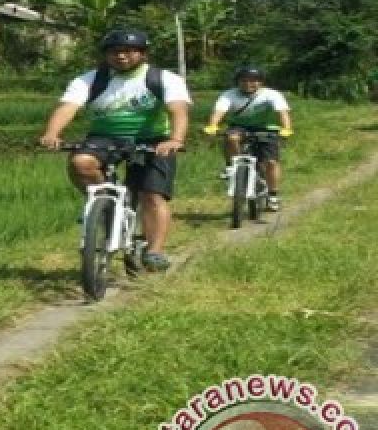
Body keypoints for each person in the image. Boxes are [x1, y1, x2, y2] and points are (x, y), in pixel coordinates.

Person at [38, 29, 191, 272]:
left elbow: (178, 111)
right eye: (115, 52)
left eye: (128, 51)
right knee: (81, 163)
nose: (121, 56)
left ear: (142, 54)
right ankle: (105, 204)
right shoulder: (90, 80)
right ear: (106, 55)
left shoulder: (163, 79)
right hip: (105, 137)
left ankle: (155, 250)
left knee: (152, 195)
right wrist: (52, 133)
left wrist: (175, 139)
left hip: (152, 139)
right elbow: (68, 107)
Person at [202, 66, 293, 211]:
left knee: (271, 162)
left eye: (253, 81)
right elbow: (218, 112)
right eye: (244, 80)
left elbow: (282, 113)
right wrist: (212, 126)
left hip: (266, 128)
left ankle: (273, 195)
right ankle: (233, 167)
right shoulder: (229, 95)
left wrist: (286, 129)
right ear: (237, 82)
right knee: (231, 138)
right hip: (240, 127)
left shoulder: (272, 94)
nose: (248, 84)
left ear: (261, 82)